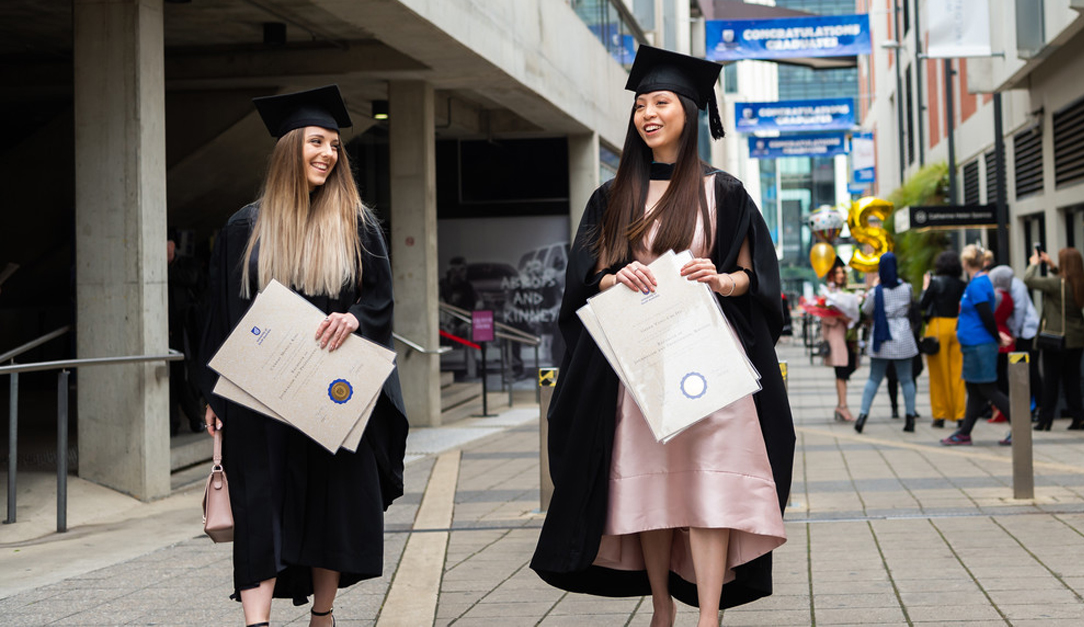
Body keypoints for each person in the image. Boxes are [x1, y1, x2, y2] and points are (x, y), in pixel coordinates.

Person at [530, 46, 793, 627]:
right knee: (651, 492)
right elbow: (585, 277)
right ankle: (661, 608)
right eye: (641, 104)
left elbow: (759, 278)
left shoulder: (724, 192)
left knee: (710, 491)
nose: (648, 113)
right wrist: (610, 274)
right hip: (639, 367)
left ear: (689, 112)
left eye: (661, 102)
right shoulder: (612, 196)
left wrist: (722, 278)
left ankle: (708, 615)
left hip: (711, 366)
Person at [196, 85, 408, 627]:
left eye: (335, 145)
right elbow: (220, 319)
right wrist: (213, 393)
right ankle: (257, 622)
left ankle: (323, 614)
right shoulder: (247, 227)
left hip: (330, 391)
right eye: (316, 141)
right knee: (259, 506)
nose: (328, 154)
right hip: (257, 396)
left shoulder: (356, 224)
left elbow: (380, 297)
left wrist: (355, 318)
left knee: (330, 506)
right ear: (291, 147)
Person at [941, 245, 1013, 445]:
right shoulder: (977, 283)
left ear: (965, 263)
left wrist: (997, 338)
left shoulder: (978, 285)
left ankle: (1019, 427)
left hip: (979, 345)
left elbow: (986, 316)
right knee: (974, 389)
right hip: (974, 344)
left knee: (988, 389)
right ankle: (964, 433)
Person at [854, 252, 919, 433]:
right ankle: (910, 418)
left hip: (882, 338)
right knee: (906, 379)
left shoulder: (877, 292)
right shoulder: (907, 288)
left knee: (874, 378)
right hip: (903, 336)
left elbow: (866, 310)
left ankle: (862, 416)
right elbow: (910, 306)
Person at [1025, 247, 1084, 430]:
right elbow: (1067, 278)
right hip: (1077, 338)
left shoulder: (1055, 284)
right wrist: (1051, 265)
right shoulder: (1079, 283)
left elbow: (1028, 280)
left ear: (1063, 264)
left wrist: (1033, 265)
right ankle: (1078, 417)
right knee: (1072, 380)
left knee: (1050, 380)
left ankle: (1045, 420)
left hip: (1055, 339)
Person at [920, 251, 967, 428]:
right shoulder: (963, 284)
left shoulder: (935, 283)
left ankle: (939, 415)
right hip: (958, 326)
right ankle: (960, 413)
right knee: (958, 373)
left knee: (938, 375)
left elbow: (922, 305)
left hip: (938, 328)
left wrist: (925, 287)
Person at [990, 264, 1042, 416]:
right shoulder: (1005, 290)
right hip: (1016, 333)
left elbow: (1019, 311)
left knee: (1030, 370)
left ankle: (1038, 406)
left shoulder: (1016, 287)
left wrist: (1014, 334)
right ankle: (1025, 406)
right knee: (1019, 371)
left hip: (1026, 332)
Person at [820, 258, 859, 422]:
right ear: (831, 275)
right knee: (841, 372)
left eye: (842, 272)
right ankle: (842, 406)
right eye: (837, 272)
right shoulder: (827, 294)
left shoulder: (845, 293)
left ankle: (841, 405)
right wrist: (841, 317)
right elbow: (823, 316)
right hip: (836, 337)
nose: (841, 275)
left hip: (848, 337)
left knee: (847, 369)